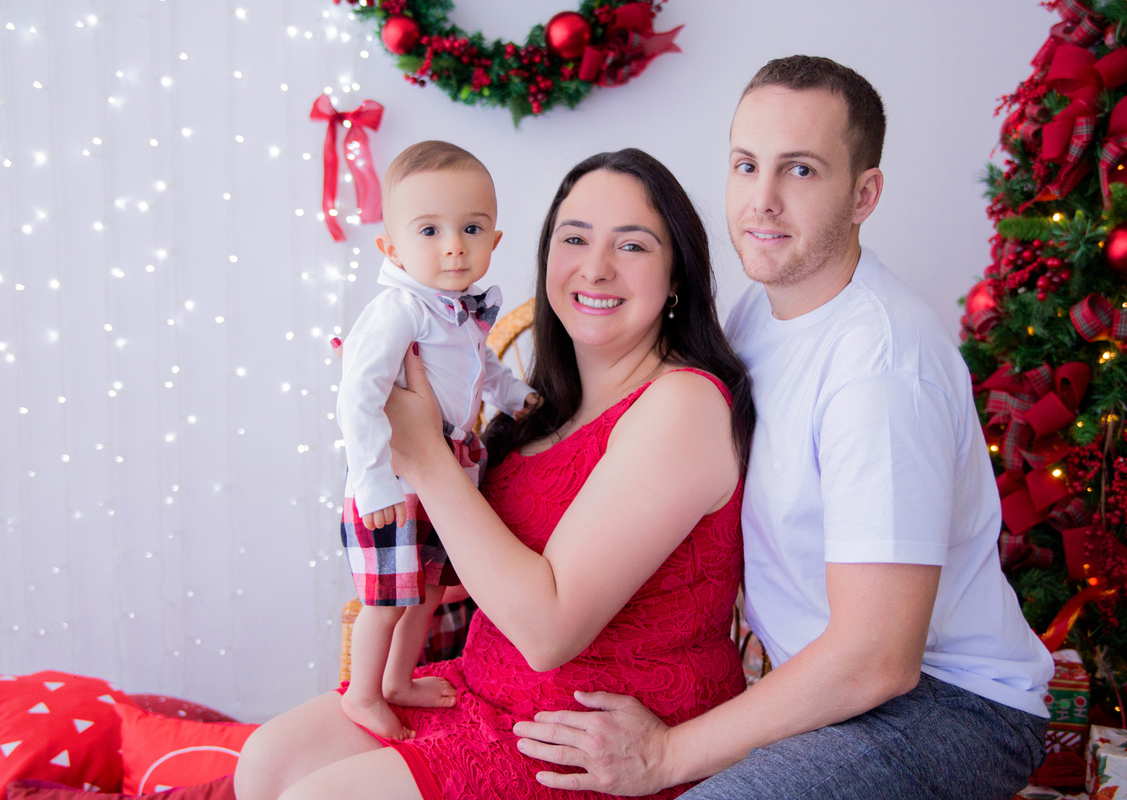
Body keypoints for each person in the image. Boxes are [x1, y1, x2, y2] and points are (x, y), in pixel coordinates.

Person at [512, 56, 1054, 800]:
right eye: (745, 165)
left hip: (943, 704)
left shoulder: (882, 366)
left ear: (864, 195)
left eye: (799, 171)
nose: (760, 201)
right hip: (822, 683)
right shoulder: (758, 312)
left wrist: (666, 755)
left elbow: (879, 658)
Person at [233, 147, 757, 800]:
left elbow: (547, 634)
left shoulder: (683, 403)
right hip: (484, 682)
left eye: (633, 246)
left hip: (591, 733)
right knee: (266, 762)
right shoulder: (541, 406)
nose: (595, 267)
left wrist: (424, 454)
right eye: (574, 238)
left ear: (676, 274)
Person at [336, 140, 538, 740]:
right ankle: (364, 694)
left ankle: (400, 680)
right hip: (391, 483)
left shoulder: (461, 311)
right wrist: (372, 481)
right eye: (429, 231)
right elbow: (357, 393)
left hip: (443, 479)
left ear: (494, 241)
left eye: (471, 228)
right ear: (391, 248)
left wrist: (513, 397)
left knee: (426, 593)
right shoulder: (400, 309)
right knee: (387, 600)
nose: (453, 244)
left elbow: (483, 369)